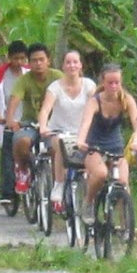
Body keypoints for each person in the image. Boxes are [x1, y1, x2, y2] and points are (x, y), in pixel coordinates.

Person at [76, 63, 137, 223]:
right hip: (94, 146)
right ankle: (88, 202)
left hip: (116, 147)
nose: (114, 86)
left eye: (117, 82)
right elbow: (85, 123)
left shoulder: (126, 100)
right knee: (100, 174)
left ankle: (126, 224)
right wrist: (80, 140)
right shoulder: (95, 101)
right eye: (110, 83)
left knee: (123, 182)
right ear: (103, 82)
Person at [37, 50, 96, 211]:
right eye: (68, 62)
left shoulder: (89, 85)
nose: (72, 65)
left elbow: (96, 104)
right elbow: (45, 110)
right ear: (63, 66)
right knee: (61, 144)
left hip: (82, 132)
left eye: (75, 62)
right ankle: (59, 183)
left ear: (81, 65)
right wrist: (43, 126)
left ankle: (88, 195)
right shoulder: (55, 87)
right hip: (58, 131)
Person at [3, 43, 62, 195]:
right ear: (29, 63)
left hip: (53, 124)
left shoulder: (58, 77)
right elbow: (14, 100)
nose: (38, 63)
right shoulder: (24, 80)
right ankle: (23, 171)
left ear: (48, 60)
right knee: (21, 142)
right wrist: (10, 120)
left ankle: (58, 187)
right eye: (34, 60)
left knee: (57, 150)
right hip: (30, 123)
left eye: (42, 59)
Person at [0, 40, 29, 205]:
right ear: (9, 57)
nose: (19, 62)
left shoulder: (30, 73)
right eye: (15, 58)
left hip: (27, 120)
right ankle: (7, 192)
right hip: (8, 120)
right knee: (8, 154)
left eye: (22, 58)